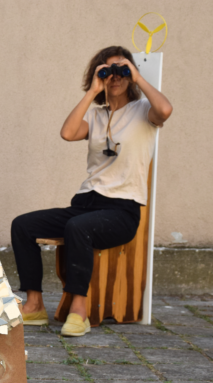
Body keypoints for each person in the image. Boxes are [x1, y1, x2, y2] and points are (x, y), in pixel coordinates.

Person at [11, 45, 173, 336]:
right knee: (23, 225)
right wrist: (91, 91)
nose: (115, 77)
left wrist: (137, 77)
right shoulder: (97, 116)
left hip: (122, 210)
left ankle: (79, 310)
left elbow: (165, 109)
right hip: (85, 204)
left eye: (121, 70)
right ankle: (34, 305)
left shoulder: (143, 113)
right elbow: (68, 133)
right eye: (107, 71)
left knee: (77, 228)